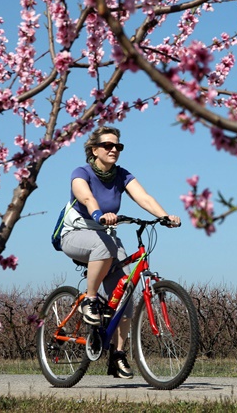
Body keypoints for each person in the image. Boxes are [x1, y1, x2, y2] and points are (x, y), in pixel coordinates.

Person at [59, 126, 181, 380]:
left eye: (118, 146)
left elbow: (143, 197)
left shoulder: (122, 175)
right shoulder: (81, 173)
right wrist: (98, 214)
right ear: (94, 150)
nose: (114, 150)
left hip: (105, 237)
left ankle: (118, 354)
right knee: (104, 246)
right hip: (75, 235)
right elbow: (87, 198)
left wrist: (164, 216)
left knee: (125, 293)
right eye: (108, 146)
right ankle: (90, 300)